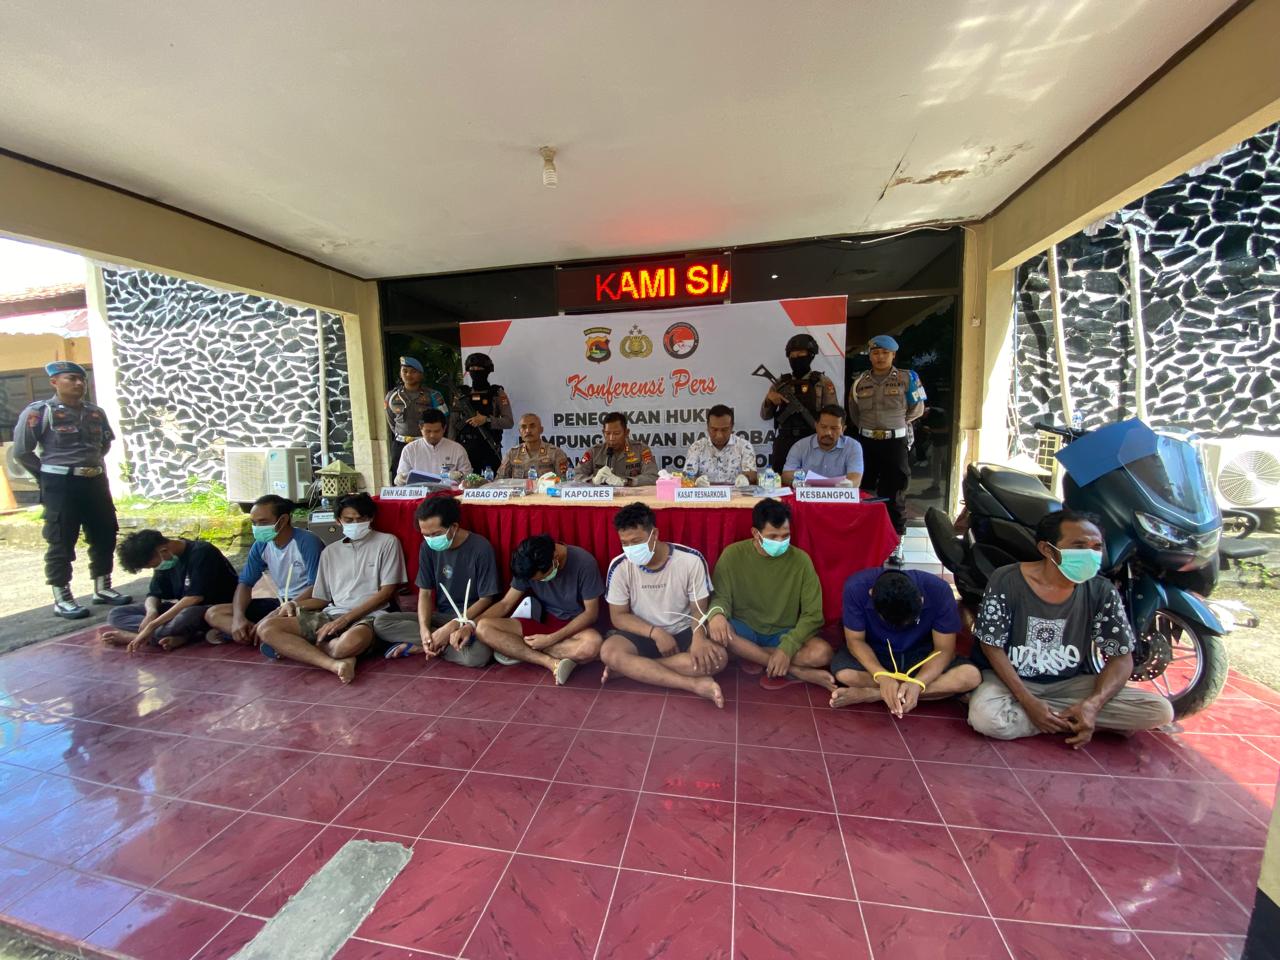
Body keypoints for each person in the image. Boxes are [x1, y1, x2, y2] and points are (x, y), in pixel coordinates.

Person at [967, 509, 1174, 745]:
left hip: (1069, 683)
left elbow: (1121, 658)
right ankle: (1075, 721)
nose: (1090, 554)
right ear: (1047, 549)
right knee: (986, 718)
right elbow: (991, 646)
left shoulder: (1101, 591)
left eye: (1096, 547)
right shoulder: (1007, 579)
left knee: (1160, 711)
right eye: (1079, 546)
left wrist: (1093, 704)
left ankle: (1065, 717)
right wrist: (1027, 700)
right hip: (1010, 679)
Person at [12, 360, 132, 619]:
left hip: (94, 480)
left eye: (82, 379)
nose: (79, 383)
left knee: (105, 532)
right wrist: (46, 475)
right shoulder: (39, 412)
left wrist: (90, 464)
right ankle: (62, 597)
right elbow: (22, 451)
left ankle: (103, 586)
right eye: (71, 379)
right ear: (54, 382)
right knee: (61, 539)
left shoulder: (95, 412)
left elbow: (104, 443)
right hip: (60, 484)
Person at [255, 493, 405, 683]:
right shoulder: (330, 552)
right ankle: (334, 664)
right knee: (267, 628)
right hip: (332, 614)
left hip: (370, 616)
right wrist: (294, 604)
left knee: (348, 644)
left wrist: (345, 620)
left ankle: (302, 648)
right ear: (338, 520)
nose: (355, 524)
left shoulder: (387, 542)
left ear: (371, 518)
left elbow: (386, 593)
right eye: (349, 520)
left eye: (361, 519)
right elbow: (322, 599)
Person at [600, 502, 726, 706]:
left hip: (684, 629)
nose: (631, 549)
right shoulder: (620, 566)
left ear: (655, 534)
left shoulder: (690, 560)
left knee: (718, 659)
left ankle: (631, 669)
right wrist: (656, 633)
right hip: (642, 631)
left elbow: (699, 608)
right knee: (609, 652)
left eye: (636, 541)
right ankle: (692, 685)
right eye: (625, 543)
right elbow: (618, 616)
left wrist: (699, 638)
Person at [705, 498, 833, 690]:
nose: (780, 542)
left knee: (822, 653)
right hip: (743, 629)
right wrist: (716, 615)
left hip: (782, 634)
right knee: (713, 631)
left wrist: (787, 648)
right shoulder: (732, 554)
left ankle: (749, 656)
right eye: (773, 537)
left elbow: (813, 615)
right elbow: (720, 597)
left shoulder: (801, 561)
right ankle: (794, 670)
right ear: (755, 533)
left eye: (785, 536)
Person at [372, 495, 501, 668]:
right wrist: (424, 629)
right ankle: (433, 642)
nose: (431, 539)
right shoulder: (427, 547)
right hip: (441, 617)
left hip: (471, 619)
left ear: (454, 527)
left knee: (478, 656)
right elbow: (425, 593)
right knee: (381, 623)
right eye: (426, 535)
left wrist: (453, 626)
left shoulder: (480, 547)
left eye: (436, 534)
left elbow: (486, 599)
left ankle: (425, 646)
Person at [830, 567, 981, 714]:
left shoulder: (939, 590)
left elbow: (944, 649)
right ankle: (920, 693)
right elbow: (855, 641)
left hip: (921, 657)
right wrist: (881, 675)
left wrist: (918, 683)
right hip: (877, 653)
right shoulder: (856, 587)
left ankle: (874, 694)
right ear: (871, 594)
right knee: (845, 674)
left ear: (921, 600)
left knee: (970, 676)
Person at [472, 534, 604, 683]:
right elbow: (505, 604)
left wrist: (550, 640)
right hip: (541, 622)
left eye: (541, 578)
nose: (540, 582)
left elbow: (591, 613)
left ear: (555, 559)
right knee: (482, 628)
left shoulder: (584, 562)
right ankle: (549, 662)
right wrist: (470, 625)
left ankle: (517, 650)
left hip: (574, 627)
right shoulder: (527, 564)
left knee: (592, 645)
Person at [204, 495, 323, 645]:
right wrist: (238, 618)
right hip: (280, 602)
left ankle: (257, 635)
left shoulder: (307, 542)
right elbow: (245, 583)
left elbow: (316, 588)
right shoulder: (261, 544)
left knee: (272, 623)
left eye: (263, 522)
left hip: (304, 605)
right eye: (254, 523)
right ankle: (259, 634)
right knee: (214, 613)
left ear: (283, 520)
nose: (257, 527)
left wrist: (279, 611)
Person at [102, 530, 239, 652]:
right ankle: (174, 634)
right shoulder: (165, 562)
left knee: (186, 615)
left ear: (163, 551)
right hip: (180, 608)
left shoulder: (202, 552)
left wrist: (152, 626)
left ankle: (138, 637)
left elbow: (194, 598)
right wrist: (151, 613)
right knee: (116, 614)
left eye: (153, 565)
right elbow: (154, 594)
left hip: (209, 608)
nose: (155, 568)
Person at [847, 334, 925, 541]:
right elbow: (854, 413)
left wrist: (896, 423)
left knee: (895, 495)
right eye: (875, 353)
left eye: (885, 353)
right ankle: (867, 537)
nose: (880, 357)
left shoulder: (907, 378)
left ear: (893, 355)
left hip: (895, 443)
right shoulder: (859, 381)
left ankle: (896, 541)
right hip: (867, 443)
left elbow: (917, 409)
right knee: (865, 491)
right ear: (870, 356)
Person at [760, 333, 838, 472]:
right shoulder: (780, 383)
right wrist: (769, 400)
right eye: (792, 355)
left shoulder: (822, 382)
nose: (796, 358)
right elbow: (765, 416)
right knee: (781, 478)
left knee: (813, 479)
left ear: (811, 355)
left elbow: (834, 414)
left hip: (812, 439)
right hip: (785, 440)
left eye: (801, 354)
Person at [385, 356, 448, 482]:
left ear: (421, 375)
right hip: (400, 444)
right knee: (400, 480)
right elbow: (391, 420)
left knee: (428, 479)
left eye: (413, 371)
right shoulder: (392, 396)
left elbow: (443, 419)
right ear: (400, 373)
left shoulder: (433, 395)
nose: (408, 375)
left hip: (425, 444)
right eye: (405, 371)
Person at [448, 353, 513, 474]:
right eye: (472, 368)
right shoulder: (461, 394)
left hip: (490, 446)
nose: (475, 371)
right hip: (466, 448)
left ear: (487, 370)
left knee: (494, 482)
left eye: (479, 368)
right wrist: (450, 447)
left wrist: (486, 420)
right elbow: (453, 423)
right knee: (466, 482)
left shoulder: (497, 393)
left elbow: (509, 422)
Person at [781, 405, 863, 486]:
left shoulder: (853, 446)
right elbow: (786, 475)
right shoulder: (800, 446)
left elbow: (855, 479)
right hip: (807, 491)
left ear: (843, 429)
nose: (828, 432)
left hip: (838, 493)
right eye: (823, 427)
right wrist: (802, 484)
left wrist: (845, 485)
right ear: (816, 426)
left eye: (834, 428)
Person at [573, 412, 659, 486]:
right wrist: (592, 481)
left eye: (616, 433)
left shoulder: (641, 450)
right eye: (607, 433)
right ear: (603, 432)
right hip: (603, 498)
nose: (611, 438)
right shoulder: (594, 451)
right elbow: (576, 475)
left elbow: (652, 477)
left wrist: (626, 482)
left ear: (626, 433)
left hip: (631, 498)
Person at [682, 404, 757, 485]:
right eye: (714, 429)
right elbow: (686, 476)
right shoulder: (696, 447)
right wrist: (696, 481)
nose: (719, 435)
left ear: (732, 427)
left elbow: (752, 476)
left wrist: (745, 478)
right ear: (707, 427)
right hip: (705, 492)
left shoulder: (744, 446)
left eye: (724, 430)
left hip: (736, 492)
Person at [395, 409, 471, 484]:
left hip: (449, 491)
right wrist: (400, 479)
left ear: (444, 429)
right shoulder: (409, 450)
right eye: (428, 431)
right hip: (420, 491)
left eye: (437, 431)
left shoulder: (457, 449)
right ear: (420, 428)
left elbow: (468, 476)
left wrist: (460, 475)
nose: (432, 435)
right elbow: (402, 476)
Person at [496, 413, 570, 479]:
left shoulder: (555, 453)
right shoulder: (512, 453)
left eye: (532, 426)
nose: (528, 430)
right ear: (520, 432)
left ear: (541, 430)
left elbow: (564, 481)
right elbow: (500, 481)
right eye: (524, 427)